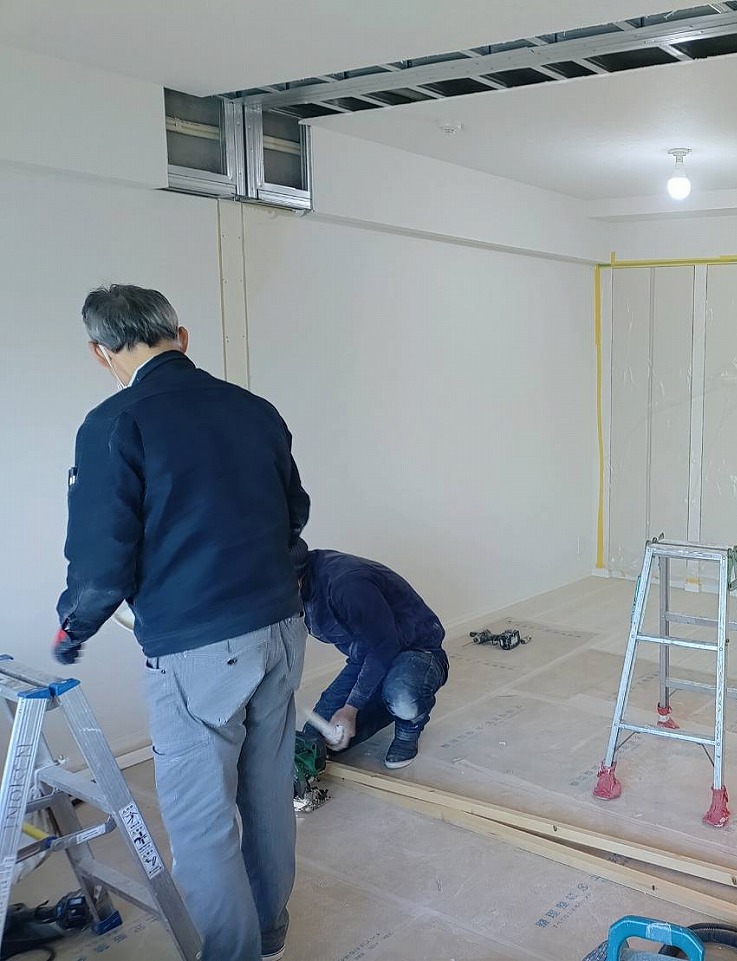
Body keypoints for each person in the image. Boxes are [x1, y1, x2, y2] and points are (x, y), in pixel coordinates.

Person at [55, 285, 309, 961]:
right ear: (182, 336)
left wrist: (72, 627)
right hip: (281, 627)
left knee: (200, 822)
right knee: (266, 792)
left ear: (100, 352)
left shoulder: (115, 423)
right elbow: (295, 512)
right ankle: (269, 935)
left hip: (199, 651)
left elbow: (101, 565)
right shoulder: (254, 409)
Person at [294, 542, 449, 769]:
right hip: (366, 659)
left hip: (416, 651)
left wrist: (351, 708)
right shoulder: (295, 593)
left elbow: (383, 647)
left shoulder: (347, 585)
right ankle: (385, 705)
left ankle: (408, 724)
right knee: (317, 739)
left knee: (402, 697)